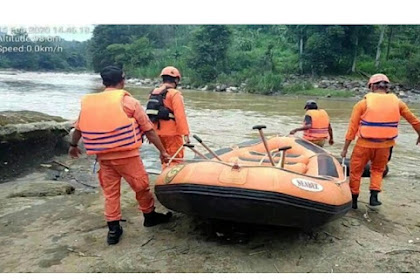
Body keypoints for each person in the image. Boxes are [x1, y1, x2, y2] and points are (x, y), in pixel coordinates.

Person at [69, 66, 173, 245]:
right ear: (122, 80)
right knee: (141, 187)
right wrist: (163, 152)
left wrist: (72, 146)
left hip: (104, 158)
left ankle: (113, 229)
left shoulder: (90, 103)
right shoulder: (129, 102)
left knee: (111, 194)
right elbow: (149, 130)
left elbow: (78, 128)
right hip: (127, 156)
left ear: (103, 82)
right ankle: (149, 216)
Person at [341, 73, 420, 209]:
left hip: (363, 145)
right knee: (377, 170)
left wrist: (345, 149)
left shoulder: (362, 103)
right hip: (385, 146)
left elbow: (352, 129)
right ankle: (374, 198)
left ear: (371, 87)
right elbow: (414, 121)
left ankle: (354, 200)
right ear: (387, 87)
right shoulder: (398, 103)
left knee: (356, 171)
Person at [146, 66, 190, 168]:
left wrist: (149, 133)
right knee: (175, 159)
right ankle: (171, 180)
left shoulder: (153, 92)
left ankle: (163, 175)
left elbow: (149, 114)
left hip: (156, 134)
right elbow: (180, 116)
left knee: (164, 157)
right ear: (176, 80)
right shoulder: (174, 94)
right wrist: (185, 134)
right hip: (172, 134)